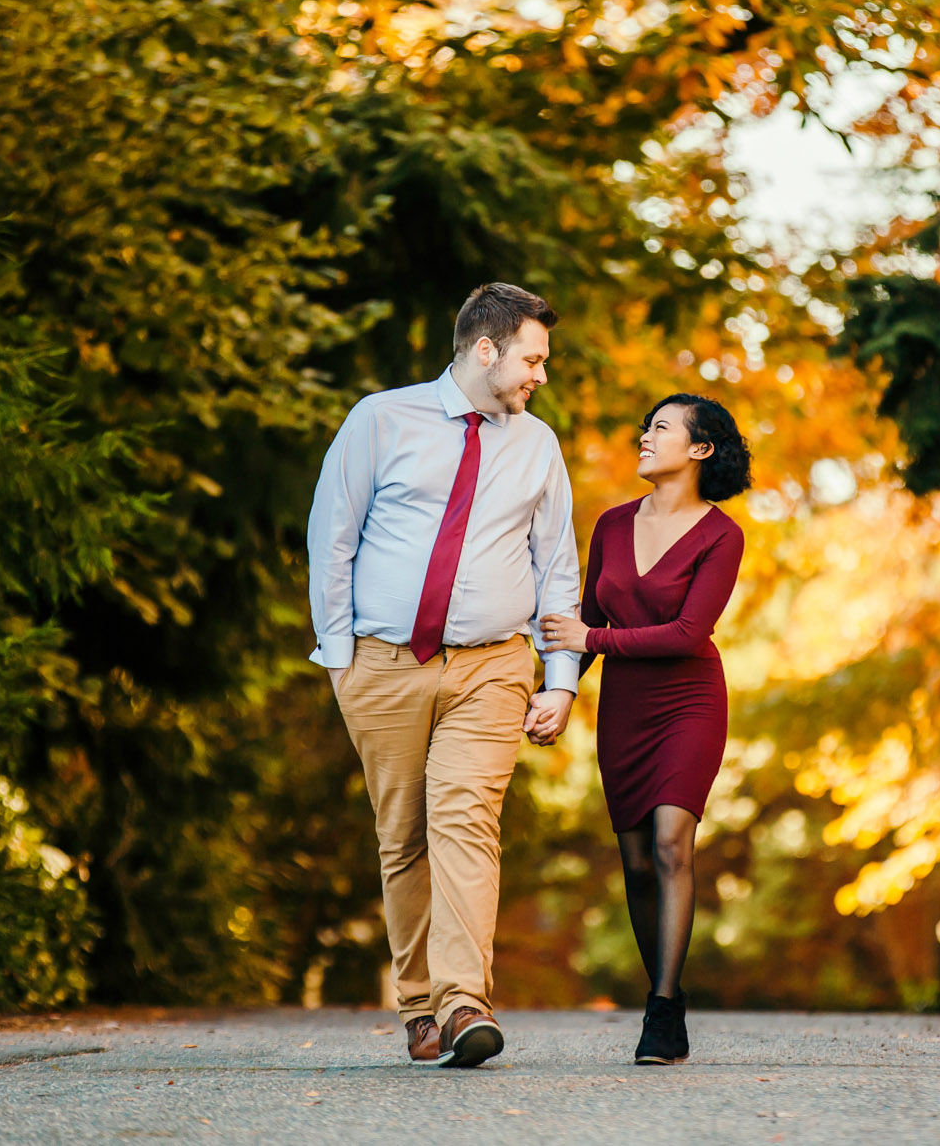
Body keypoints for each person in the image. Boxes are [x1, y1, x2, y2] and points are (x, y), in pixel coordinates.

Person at [306, 283, 581, 1069]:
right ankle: (419, 1008)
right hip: (382, 662)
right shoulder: (379, 420)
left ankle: (465, 1004)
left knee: (466, 820)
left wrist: (558, 678)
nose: (540, 375)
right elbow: (334, 537)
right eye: (532, 358)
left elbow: (557, 570)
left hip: (493, 665)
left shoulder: (538, 444)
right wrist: (339, 658)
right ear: (485, 350)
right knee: (403, 838)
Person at [536, 393, 750, 1065]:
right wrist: (556, 689)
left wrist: (591, 632)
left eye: (660, 428)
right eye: (645, 427)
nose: (644, 436)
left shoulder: (722, 534)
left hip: (689, 699)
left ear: (701, 448)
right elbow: (588, 621)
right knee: (634, 862)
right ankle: (668, 996)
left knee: (669, 844)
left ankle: (662, 1008)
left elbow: (689, 632)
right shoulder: (610, 524)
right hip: (623, 707)